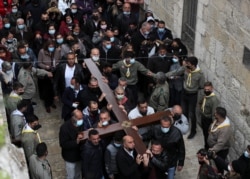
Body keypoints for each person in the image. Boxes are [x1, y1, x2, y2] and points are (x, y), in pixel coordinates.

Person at [182, 56, 205, 139]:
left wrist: (193, 88)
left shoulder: (199, 74)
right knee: (184, 111)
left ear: (193, 65)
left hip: (192, 95)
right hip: (184, 93)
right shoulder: (186, 70)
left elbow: (202, 85)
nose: (187, 65)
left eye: (188, 64)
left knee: (192, 113)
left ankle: (193, 130)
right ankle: (185, 126)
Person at [59, 109, 85, 179]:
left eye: (82, 118)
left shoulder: (81, 124)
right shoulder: (64, 128)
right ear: (73, 118)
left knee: (78, 174)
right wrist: (76, 142)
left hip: (79, 155)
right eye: (79, 118)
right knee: (71, 175)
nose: (81, 120)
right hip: (70, 157)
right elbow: (63, 144)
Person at [199, 82, 220, 149]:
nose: (206, 91)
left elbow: (214, 114)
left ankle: (207, 148)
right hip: (203, 117)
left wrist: (212, 125)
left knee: (208, 136)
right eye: (205, 89)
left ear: (212, 89)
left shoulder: (214, 100)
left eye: (208, 89)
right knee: (205, 134)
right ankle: (206, 146)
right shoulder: (205, 96)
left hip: (208, 120)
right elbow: (200, 103)